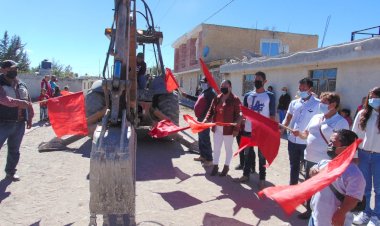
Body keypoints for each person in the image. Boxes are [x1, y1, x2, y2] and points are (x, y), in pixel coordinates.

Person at [293, 92, 349, 220]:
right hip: (309, 158)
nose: (321, 105)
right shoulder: (316, 117)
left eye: (324, 103)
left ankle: (320, 215)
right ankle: (309, 211)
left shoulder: (341, 122)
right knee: (309, 186)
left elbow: (344, 146)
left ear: (334, 105)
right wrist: (299, 134)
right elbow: (305, 134)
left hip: (326, 162)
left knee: (323, 190)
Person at [309, 129, 365, 226]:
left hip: (332, 222)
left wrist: (341, 213)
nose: (329, 144)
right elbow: (312, 171)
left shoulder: (354, 174)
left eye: (332, 142)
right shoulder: (324, 163)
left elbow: (353, 198)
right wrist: (313, 172)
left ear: (346, 148)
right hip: (314, 218)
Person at [234, 71, 276, 190]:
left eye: (259, 79)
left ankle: (262, 179)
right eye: (255, 79)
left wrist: (271, 130)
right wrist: (239, 121)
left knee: (262, 156)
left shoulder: (270, 96)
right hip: (248, 129)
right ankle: (246, 175)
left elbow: (272, 114)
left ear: (264, 81)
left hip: (262, 131)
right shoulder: (248, 95)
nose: (256, 81)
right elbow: (244, 112)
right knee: (247, 154)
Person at [0, 60, 34, 181]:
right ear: (2, 70)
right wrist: (20, 103)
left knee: (14, 150)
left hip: (19, 123)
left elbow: (28, 101)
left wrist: (30, 117)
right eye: (11, 69)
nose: (14, 71)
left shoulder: (22, 84)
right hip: (3, 122)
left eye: (16, 69)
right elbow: (3, 99)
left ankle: (10, 172)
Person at [282, 78, 320, 187]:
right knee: (294, 165)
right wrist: (282, 128)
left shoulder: (317, 104)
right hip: (292, 140)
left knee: (308, 168)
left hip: (307, 142)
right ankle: (293, 187)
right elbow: (288, 117)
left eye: (304, 87)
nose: (301, 90)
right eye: (300, 87)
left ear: (310, 88)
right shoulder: (294, 103)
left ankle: (306, 192)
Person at [352, 87, 380, 226]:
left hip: (379, 157)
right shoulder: (363, 113)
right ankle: (367, 212)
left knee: (379, 188)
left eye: (375, 97)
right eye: (370, 97)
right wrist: (355, 154)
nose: (372, 100)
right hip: (363, 155)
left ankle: (377, 215)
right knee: (366, 186)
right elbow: (354, 135)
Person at [205, 80, 242, 177]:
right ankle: (215, 166)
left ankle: (226, 167)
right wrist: (207, 119)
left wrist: (236, 129)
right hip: (217, 128)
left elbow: (239, 115)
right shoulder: (217, 98)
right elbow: (211, 110)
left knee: (228, 149)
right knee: (216, 148)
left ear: (230, 87)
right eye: (221, 86)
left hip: (229, 130)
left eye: (225, 86)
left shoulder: (235, 99)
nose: (222, 88)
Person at [181, 77, 216, 166]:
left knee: (205, 138)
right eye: (201, 82)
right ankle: (202, 156)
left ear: (208, 83)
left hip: (205, 120)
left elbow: (212, 107)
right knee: (201, 138)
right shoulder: (204, 92)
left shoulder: (211, 93)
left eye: (204, 82)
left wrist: (206, 119)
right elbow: (197, 99)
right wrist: (187, 96)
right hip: (200, 118)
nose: (202, 84)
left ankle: (209, 159)